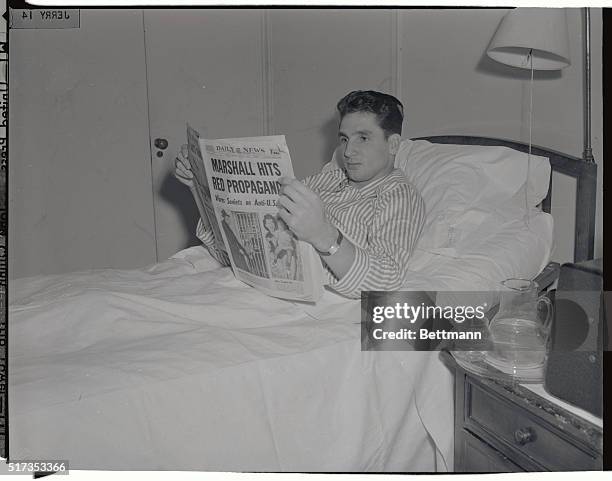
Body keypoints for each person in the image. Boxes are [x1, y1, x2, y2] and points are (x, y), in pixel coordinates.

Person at [175, 90, 425, 299]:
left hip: (309, 302)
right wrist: (199, 189)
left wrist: (324, 236)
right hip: (254, 282)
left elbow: (386, 283)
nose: (348, 152)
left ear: (392, 145)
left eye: (363, 138)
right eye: (344, 139)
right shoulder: (328, 178)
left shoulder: (399, 196)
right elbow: (238, 249)